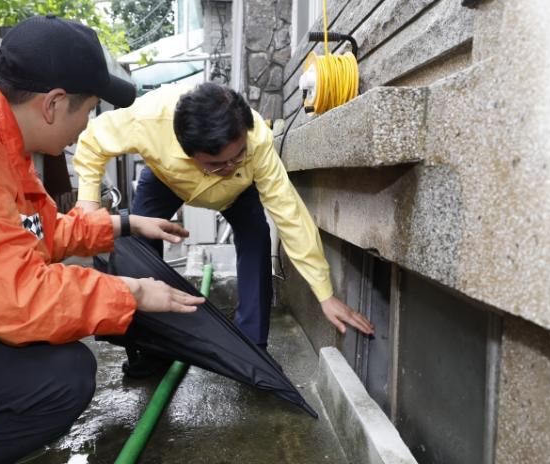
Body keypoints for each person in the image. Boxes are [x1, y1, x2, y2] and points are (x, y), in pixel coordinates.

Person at [0, 15, 204, 463]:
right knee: (63, 379)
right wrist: (133, 293)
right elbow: (15, 300)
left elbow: (38, 231)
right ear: (54, 103)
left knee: (56, 347)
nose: (88, 125)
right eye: (89, 110)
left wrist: (125, 224)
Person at [73, 82, 375, 377]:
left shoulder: (257, 140)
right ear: (188, 150)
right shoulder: (148, 119)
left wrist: (325, 294)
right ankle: (153, 350)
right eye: (217, 163)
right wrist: (88, 204)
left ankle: (252, 351)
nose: (230, 167)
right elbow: (92, 140)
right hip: (166, 181)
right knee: (138, 248)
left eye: (238, 156)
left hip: (237, 194)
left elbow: (290, 214)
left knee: (257, 239)